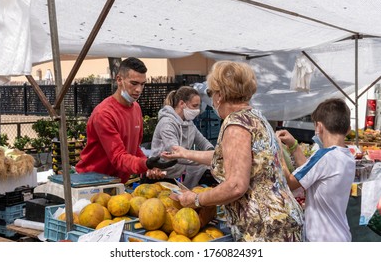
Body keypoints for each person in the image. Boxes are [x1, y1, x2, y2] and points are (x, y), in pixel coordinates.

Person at [162, 60, 304, 242]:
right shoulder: (254, 117)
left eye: (211, 93)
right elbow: (232, 157)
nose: (212, 99)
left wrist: (196, 199)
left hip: (264, 228)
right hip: (281, 221)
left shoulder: (236, 125)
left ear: (220, 95)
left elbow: (236, 185)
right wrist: (186, 153)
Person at [75, 57, 176, 183]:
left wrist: (150, 165)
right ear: (119, 80)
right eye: (134, 83)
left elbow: (134, 149)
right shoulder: (104, 114)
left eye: (142, 84)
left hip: (116, 183)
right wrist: (145, 163)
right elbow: (118, 157)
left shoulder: (136, 108)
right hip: (90, 183)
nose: (139, 89)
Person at [276, 98, 355, 242]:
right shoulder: (347, 156)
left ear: (319, 127)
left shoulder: (324, 156)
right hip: (341, 236)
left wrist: (278, 150)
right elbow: (312, 173)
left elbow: (291, 182)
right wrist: (294, 146)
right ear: (348, 129)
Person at [146, 86, 216, 189]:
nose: (197, 110)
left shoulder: (189, 124)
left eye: (198, 106)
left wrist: (212, 152)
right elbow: (175, 154)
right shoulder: (167, 123)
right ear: (182, 104)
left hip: (174, 178)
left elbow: (203, 142)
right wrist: (208, 159)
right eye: (194, 106)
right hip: (158, 177)